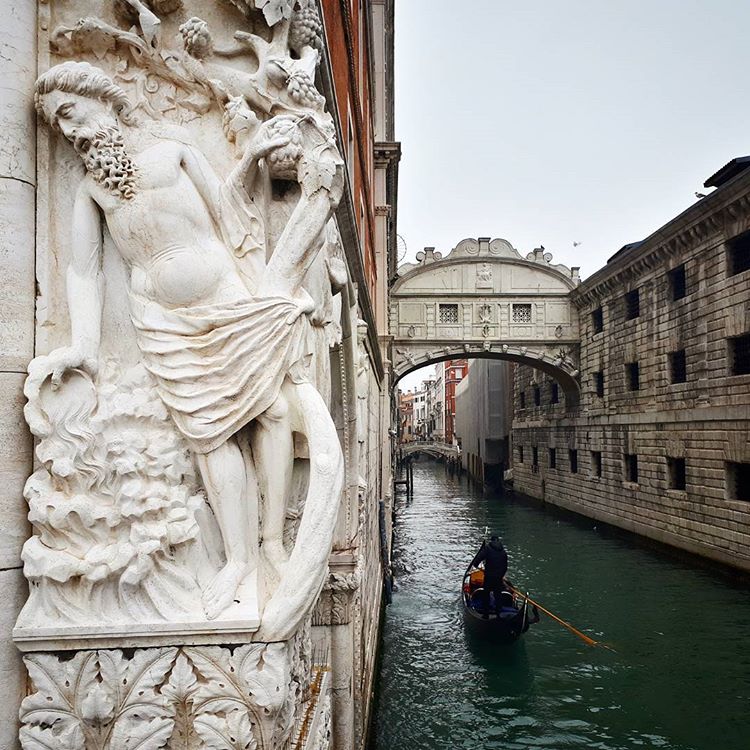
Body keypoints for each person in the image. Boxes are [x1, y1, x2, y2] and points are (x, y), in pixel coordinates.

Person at [471, 535, 508, 618]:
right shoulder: (503, 552)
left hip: (489, 576)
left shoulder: (487, 549)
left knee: (486, 594)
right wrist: (500, 576)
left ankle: (486, 614)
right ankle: (499, 614)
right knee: (498, 595)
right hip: (498, 577)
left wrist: (476, 565)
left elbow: (478, 559)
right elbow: (505, 567)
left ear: (491, 541)